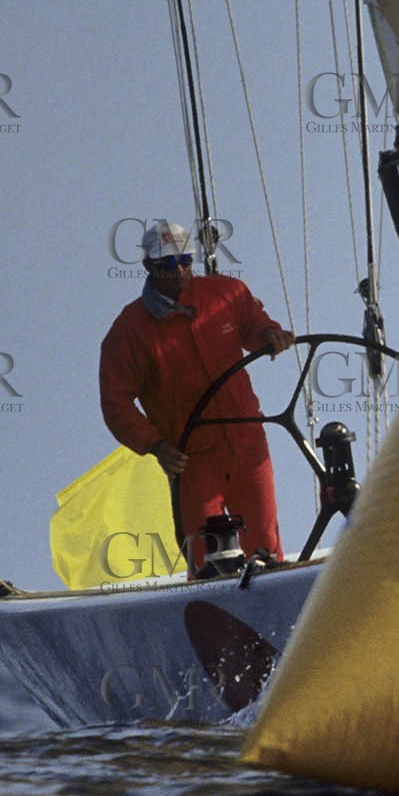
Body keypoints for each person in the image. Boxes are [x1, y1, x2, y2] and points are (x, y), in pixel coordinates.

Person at [99, 220, 294, 572]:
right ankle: (208, 610)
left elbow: (255, 326)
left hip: (247, 442)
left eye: (185, 260)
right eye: (168, 265)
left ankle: (274, 596)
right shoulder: (129, 330)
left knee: (264, 544)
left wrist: (270, 335)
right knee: (206, 557)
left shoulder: (227, 293)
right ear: (148, 268)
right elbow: (115, 403)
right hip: (192, 459)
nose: (180, 271)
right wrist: (156, 446)